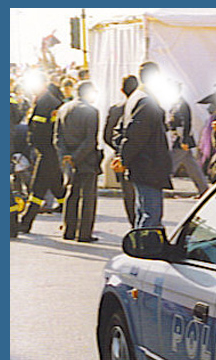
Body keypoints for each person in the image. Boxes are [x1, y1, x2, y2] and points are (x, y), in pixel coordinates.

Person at [114, 61, 172, 229]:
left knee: (144, 211)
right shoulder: (146, 102)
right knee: (151, 216)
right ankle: (144, 250)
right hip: (148, 164)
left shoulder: (135, 99)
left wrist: (122, 155)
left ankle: (141, 246)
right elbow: (135, 136)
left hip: (141, 164)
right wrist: (123, 158)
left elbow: (120, 132)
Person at [16, 76, 66, 234]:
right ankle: (72, 217)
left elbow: (50, 130)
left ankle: (26, 221)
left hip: (48, 152)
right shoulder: (40, 100)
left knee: (38, 187)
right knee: (57, 187)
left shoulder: (49, 102)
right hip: (43, 151)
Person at [54, 80, 101, 242]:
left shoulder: (63, 109)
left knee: (71, 194)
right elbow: (90, 140)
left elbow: (57, 138)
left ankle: (69, 230)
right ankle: (84, 233)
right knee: (87, 197)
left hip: (68, 158)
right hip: (86, 159)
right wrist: (76, 157)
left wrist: (66, 157)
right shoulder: (91, 111)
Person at [103, 74, 138, 225]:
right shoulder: (145, 106)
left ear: (122, 90)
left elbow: (106, 135)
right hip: (142, 158)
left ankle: (134, 225)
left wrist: (119, 149)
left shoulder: (116, 109)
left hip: (122, 158)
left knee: (129, 195)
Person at [166, 82, 209, 198]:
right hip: (178, 138)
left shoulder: (182, 104)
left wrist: (184, 140)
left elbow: (186, 123)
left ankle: (161, 187)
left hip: (181, 140)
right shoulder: (176, 104)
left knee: (169, 164)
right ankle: (204, 190)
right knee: (192, 167)